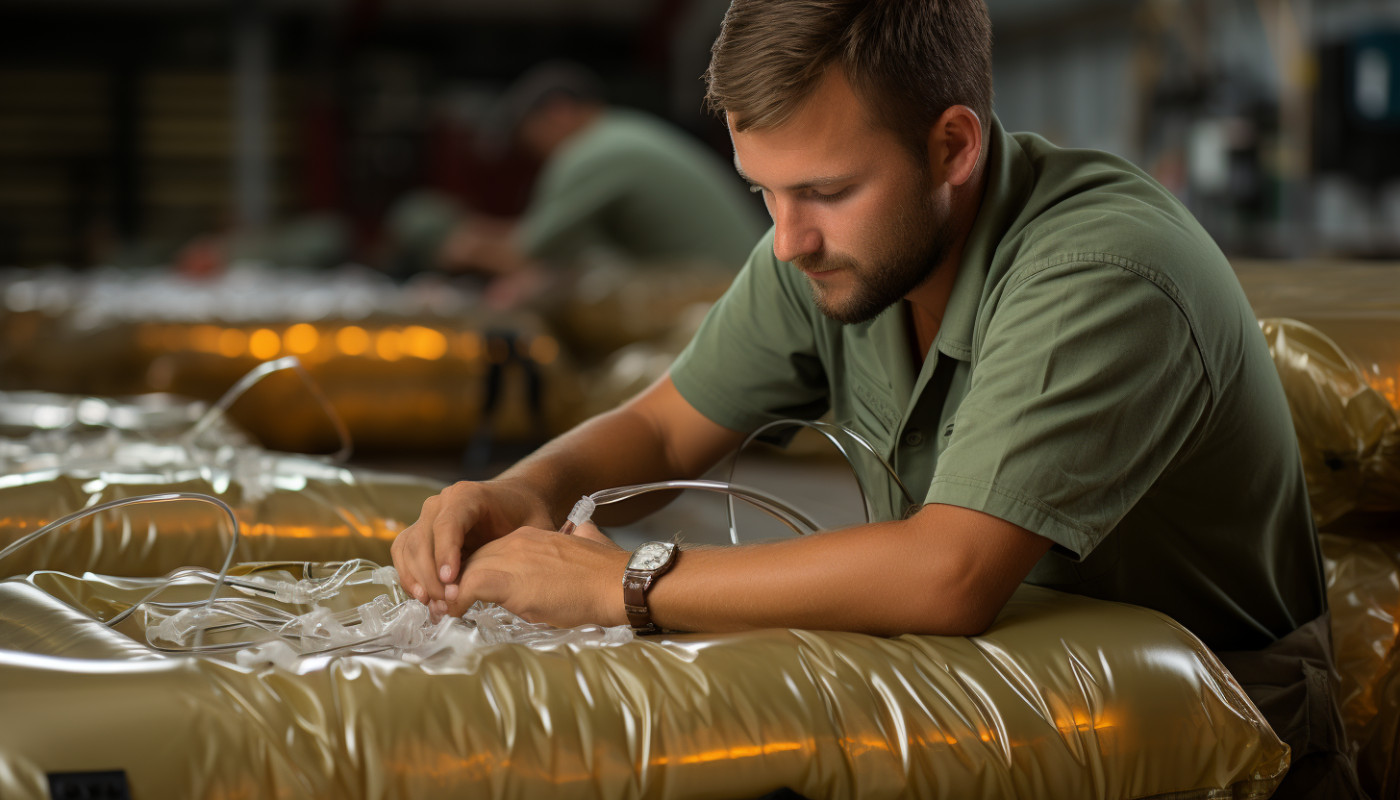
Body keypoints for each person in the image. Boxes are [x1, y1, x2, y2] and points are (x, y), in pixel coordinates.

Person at [392, 2, 1358, 795]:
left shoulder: (1102, 272)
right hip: (990, 693)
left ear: (952, 147)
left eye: (824, 190)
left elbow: (948, 573)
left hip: (1213, 733)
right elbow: (660, 425)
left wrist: (621, 584)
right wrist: (522, 490)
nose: (787, 240)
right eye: (764, 192)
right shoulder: (831, 249)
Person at [428, 60, 766, 298]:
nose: (530, 151)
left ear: (558, 113)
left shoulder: (593, 151)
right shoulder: (621, 133)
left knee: (561, 300)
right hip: (735, 284)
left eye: (527, 134)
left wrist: (462, 246)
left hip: (721, 292)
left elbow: (525, 253)